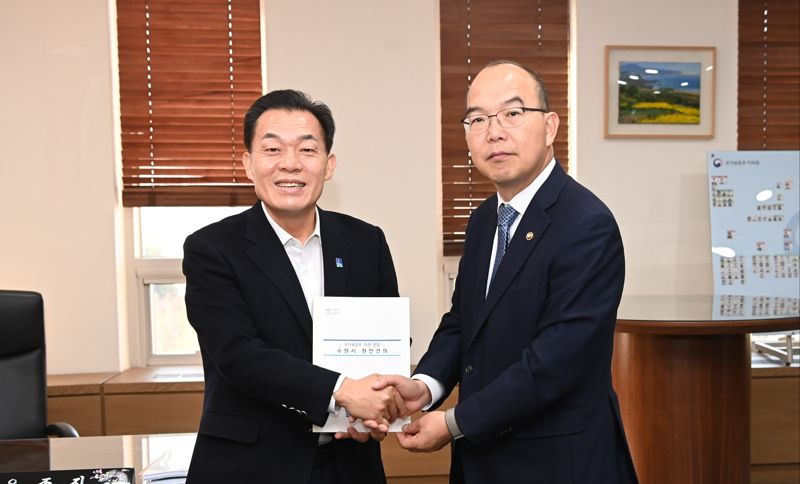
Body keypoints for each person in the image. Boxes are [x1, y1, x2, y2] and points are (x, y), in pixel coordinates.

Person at [373, 60, 639, 483]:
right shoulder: (484, 220)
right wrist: (425, 386)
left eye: (513, 114)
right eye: (477, 119)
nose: (494, 132)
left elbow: (555, 362)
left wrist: (453, 423)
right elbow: (463, 322)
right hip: (483, 459)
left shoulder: (587, 224)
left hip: (557, 463)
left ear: (550, 126)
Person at [183, 89, 401, 484]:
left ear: (328, 164)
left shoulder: (367, 242)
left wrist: (372, 409)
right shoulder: (211, 249)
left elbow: (387, 339)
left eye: (307, 150)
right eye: (272, 150)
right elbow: (237, 355)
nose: (290, 164)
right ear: (248, 164)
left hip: (350, 463)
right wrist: (341, 392)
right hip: (251, 466)